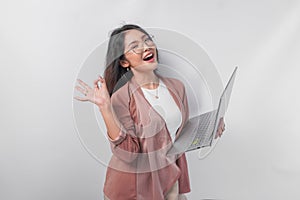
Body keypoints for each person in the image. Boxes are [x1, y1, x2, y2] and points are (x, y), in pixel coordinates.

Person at [74, 24, 225, 200]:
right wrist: (105, 107)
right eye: (134, 46)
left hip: (170, 182)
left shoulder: (177, 87)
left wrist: (209, 129)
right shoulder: (121, 97)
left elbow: (177, 136)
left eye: (147, 40)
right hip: (133, 190)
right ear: (124, 62)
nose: (145, 46)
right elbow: (128, 153)